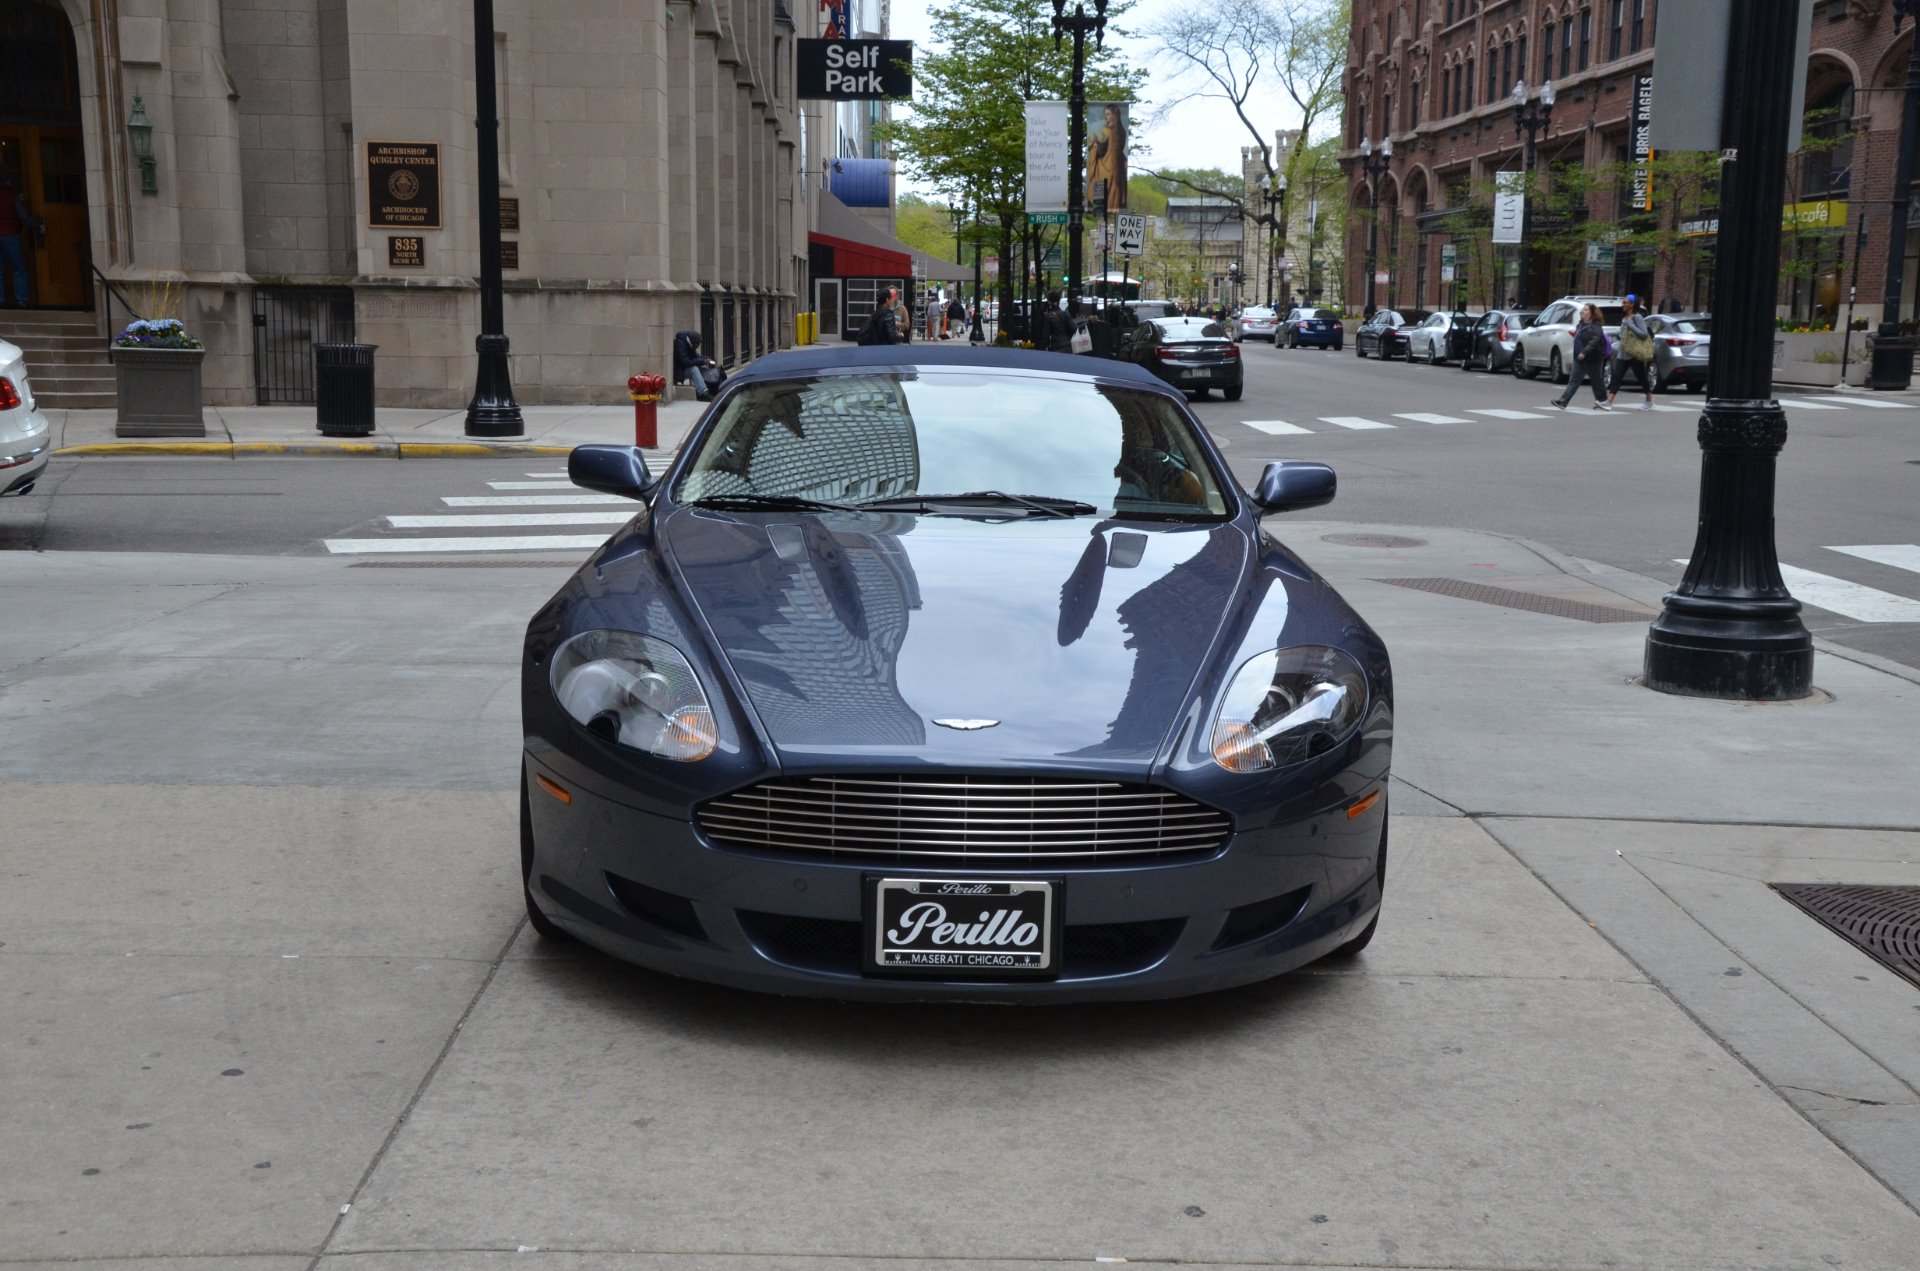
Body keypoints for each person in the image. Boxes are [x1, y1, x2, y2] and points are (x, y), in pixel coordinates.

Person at [1549, 303, 1612, 410]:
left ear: (1592, 314)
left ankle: (1603, 402)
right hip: (1579, 358)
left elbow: (1595, 340)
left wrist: (1584, 352)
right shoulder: (1581, 325)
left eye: (1586, 310)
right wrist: (1575, 335)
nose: (1582, 311)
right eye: (1583, 309)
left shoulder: (1596, 326)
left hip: (1592, 358)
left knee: (1596, 379)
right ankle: (1563, 402)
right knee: (1573, 380)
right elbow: (1583, 337)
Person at [0, 165, 42, 309]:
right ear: (7, 182)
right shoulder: (11, 197)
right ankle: (21, 300)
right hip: (10, 235)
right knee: (19, 269)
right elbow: (23, 216)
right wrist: (38, 226)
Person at [1607, 294, 1656, 411]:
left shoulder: (1637, 317)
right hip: (1623, 353)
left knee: (1642, 378)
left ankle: (1649, 400)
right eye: (1623, 302)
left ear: (1632, 304)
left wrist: (1631, 325)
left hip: (1634, 354)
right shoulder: (1624, 318)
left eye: (1625, 303)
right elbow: (1624, 335)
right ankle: (1608, 403)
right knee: (1616, 377)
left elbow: (1644, 334)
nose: (1623, 305)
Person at [1085, 104, 1127, 213]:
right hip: (1116, 167)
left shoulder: (1105, 130)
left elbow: (1099, 149)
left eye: (1108, 114)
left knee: (1098, 192)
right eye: (1105, 114)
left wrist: (1093, 145)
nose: (1106, 117)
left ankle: (1101, 212)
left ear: (1114, 115)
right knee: (1113, 191)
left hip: (1104, 166)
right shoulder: (1122, 131)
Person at [672, 330, 725, 400]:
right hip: (679, 371)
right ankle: (703, 393)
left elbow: (695, 357)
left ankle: (711, 388)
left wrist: (705, 359)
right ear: (693, 343)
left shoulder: (689, 343)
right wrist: (702, 361)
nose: (698, 347)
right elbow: (685, 362)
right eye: (698, 345)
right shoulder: (680, 344)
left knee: (701, 367)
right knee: (694, 369)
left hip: (683, 368)